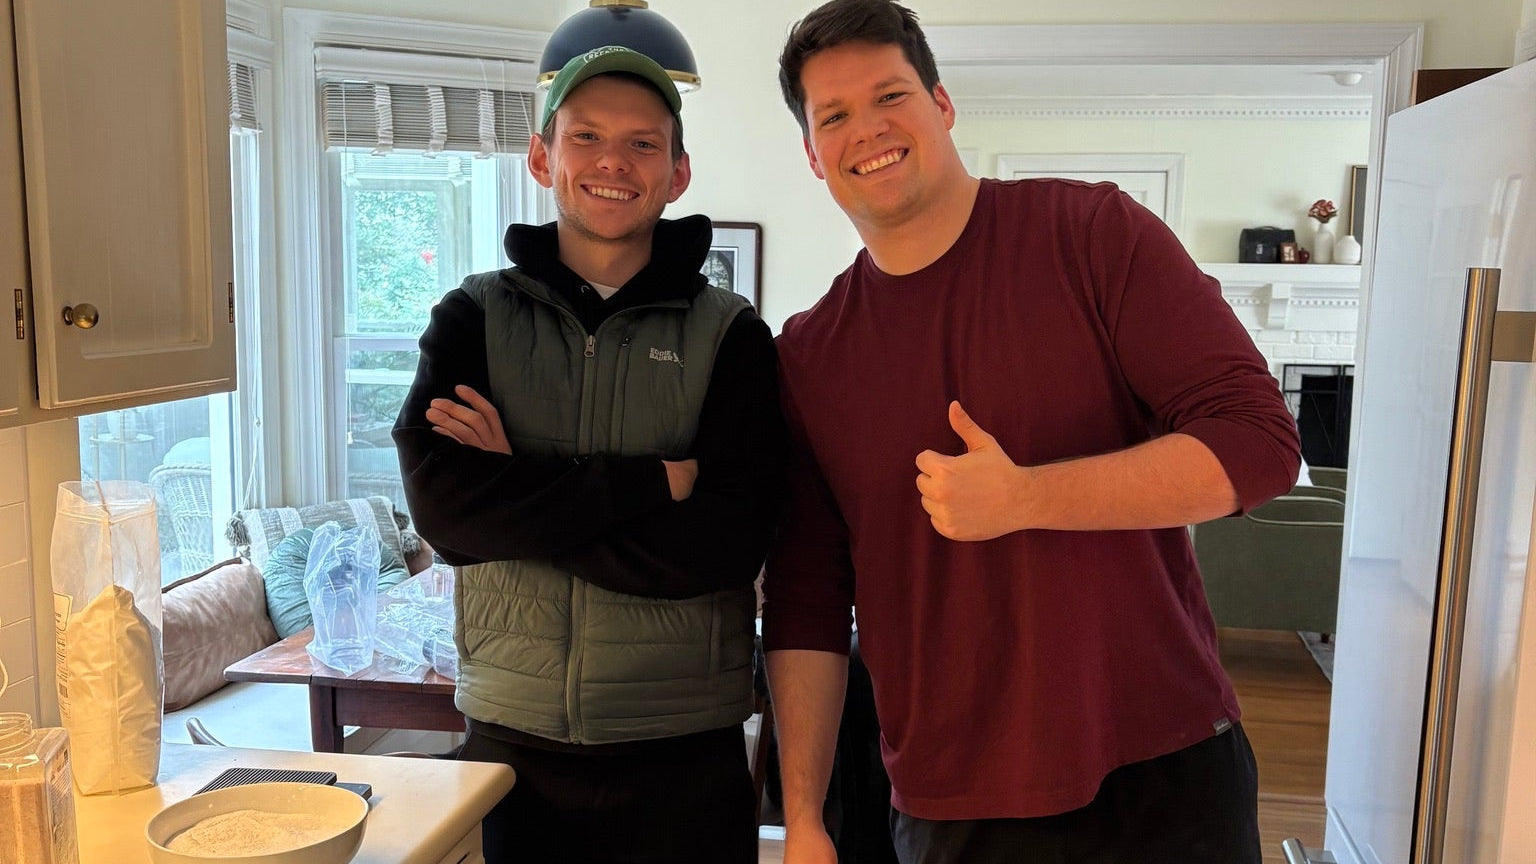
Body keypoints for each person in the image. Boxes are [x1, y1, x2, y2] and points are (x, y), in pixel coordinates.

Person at [760, 2, 1303, 863]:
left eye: (890, 95)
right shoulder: (807, 355)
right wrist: (804, 820)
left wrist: (1027, 498)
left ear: (941, 104)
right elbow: (808, 604)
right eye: (834, 116)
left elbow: (1260, 442)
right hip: (955, 803)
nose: (868, 129)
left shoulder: (1091, 235)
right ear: (812, 155)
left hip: (1162, 769)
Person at [393, 45, 785, 864]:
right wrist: (652, 482)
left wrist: (516, 500)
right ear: (543, 156)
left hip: (687, 747)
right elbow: (445, 513)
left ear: (677, 173)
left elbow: (724, 547)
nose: (614, 161)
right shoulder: (471, 317)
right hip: (512, 741)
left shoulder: (732, 335)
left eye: (644, 143)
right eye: (587, 137)